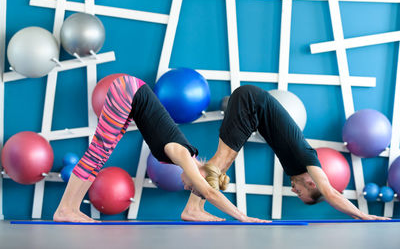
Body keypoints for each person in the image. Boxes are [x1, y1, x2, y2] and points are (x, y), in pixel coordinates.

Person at [53, 75, 268, 223]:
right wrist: (242, 216)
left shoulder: (186, 154)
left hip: (131, 96)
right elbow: (209, 191)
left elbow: (206, 188)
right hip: (128, 91)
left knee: (100, 155)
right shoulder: (182, 154)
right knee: (98, 152)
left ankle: (71, 208)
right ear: (200, 175)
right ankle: (65, 209)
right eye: (193, 188)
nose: (187, 188)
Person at [180, 84, 389, 221]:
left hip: (252, 110)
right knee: (222, 160)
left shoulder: (295, 167)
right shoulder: (308, 158)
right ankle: (192, 209)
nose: (293, 190)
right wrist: (362, 215)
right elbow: (331, 193)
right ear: (311, 183)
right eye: (300, 192)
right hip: (250, 102)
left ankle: (195, 208)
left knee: (223, 163)